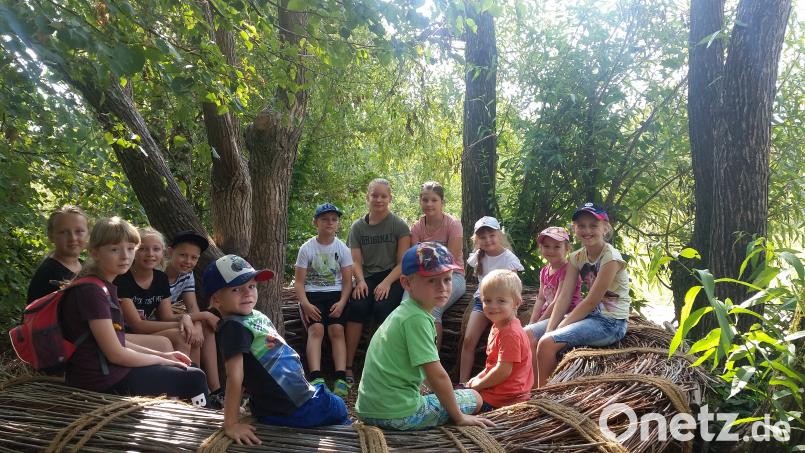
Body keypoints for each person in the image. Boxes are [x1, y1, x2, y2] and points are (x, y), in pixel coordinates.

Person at [58, 217, 210, 405]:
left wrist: (165, 356)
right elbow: (116, 353)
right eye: (115, 249)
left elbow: (119, 340)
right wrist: (162, 361)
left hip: (108, 368)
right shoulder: (92, 292)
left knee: (190, 368)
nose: (125, 256)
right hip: (99, 377)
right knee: (194, 378)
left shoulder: (105, 286)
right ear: (95, 252)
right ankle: (209, 417)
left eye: (130, 248)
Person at [208, 255, 349, 446]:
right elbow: (235, 376)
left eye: (251, 286)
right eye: (236, 289)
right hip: (296, 407)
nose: (248, 293)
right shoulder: (232, 326)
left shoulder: (253, 316)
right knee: (338, 406)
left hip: (288, 400)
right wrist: (231, 422)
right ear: (216, 300)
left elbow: (251, 367)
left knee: (329, 401)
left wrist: (240, 404)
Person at [356, 242, 494, 431]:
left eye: (447, 279)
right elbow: (437, 375)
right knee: (474, 397)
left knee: (447, 393)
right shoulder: (417, 319)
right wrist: (458, 416)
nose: (442, 287)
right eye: (431, 281)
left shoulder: (404, 312)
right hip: (399, 414)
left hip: (369, 409)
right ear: (407, 283)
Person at [532, 203, 630, 387]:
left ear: (605, 228)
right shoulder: (576, 257)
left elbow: (591, 300)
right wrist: (551, 327)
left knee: (546, 343)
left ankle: (543, 394)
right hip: (591, 316)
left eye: (593, 225)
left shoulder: (611, 257)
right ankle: (530, 388)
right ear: (574, 228)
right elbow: (564, 297)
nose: (587, 230)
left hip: (611, 323)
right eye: (581, 225)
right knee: (528, 334)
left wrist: (558, 328)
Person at [115, 227, 221, 394]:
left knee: (191, 331)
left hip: (150, 326)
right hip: (126, 332)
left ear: (162, 251)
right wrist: (190, 319)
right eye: (143, 249)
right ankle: (190, 389)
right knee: (183, 333)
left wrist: (189, 319)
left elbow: (167, 315)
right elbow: (137, 325)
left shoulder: (160, 278)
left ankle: (207, 389)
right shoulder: (123, 279)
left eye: (156, 249)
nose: (150, 254)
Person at [345, 178, 411, 384]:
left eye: (383, 196)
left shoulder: (399, 225)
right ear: (368, 197)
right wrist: (360, 281)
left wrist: (387, 283)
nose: (379, 200)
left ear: (390, 198)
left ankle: (381, 364)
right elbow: (355, 261)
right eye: (375, 195)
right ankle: (347, 365)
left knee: (383, 308)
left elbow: (402, 263)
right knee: (357, 305)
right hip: (367, 277)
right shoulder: (357, 227)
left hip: (392, 276)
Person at [294, 203, 353, 398]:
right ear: (316, 222)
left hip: (336, 295)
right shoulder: (306, 248)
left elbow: (347, 282)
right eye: (325, 219)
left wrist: (342, 302)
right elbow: (299, 283)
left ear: (338, 224)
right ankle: (316, 376)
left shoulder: (342, 248)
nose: (330, 223)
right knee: (316, 330)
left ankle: (340, 377)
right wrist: (306, 304)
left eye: (334, 219)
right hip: (313, 295)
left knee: (337, 330)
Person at [459, 216, 524, 383]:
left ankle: (505, 379)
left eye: (491, 235)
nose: (487, 240)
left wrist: (513, 310)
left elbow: (514, 286)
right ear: (476, 239)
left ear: (499, 235)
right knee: (468, 340)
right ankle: (462, 382)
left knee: (505, 339)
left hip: (503, 303)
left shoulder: (508, 259)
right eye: (482, 237)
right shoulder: (478, 256)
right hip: (483, 302)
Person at [407, 181, 466, 350]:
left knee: (433, 308)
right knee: (407, 306)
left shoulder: (453, 224)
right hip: (423, 275)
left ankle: (433, 358)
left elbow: (450, 259)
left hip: (452, 276)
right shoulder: (417, 227)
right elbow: (415, 258)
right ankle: (409, 355)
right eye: (425, 200)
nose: (429, 204)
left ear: (442, 202)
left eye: (434, 200)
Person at [466, 270, 533, 410]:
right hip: (499, 392)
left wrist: (478, 385)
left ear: (516, 303)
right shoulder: (499, 326)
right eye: (487, 300)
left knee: (449, 406)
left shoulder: (510, 333)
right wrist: (477, 379)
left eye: (501, 301)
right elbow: (493, 365)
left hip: (504, 398)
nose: (493, 306)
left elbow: (502, 371)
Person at [523, 226, 582, 343]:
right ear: (540, 248)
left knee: (529, 335)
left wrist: (539, 322)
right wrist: (532, 321)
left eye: (556, 247)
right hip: (548, 314)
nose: (551, 250)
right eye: (546, 246)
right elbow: (541, 298)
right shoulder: (544, 271)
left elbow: (557, 302)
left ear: (567, 248)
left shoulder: (568, 270)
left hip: (565, 314)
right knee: (527, 332)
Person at [27, 205, 89, 303]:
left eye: (79, 231)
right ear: (51, 236)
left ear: (88, 234)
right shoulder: (49, 274)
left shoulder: (86, 267)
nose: (73, 238)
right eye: (63, 232)